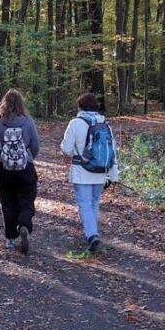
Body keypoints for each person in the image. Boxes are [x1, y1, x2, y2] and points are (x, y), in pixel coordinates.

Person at [60, 92, 118, 254]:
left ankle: (92, 235)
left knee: (84, 204)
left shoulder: (75, 123)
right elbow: (112, 151)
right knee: (93, 203)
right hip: (100, 170)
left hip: (81, 170)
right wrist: (114, 174)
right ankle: (92, 232)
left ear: (80, 106)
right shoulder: (105, 123)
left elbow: (66, 149)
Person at [0, 88, 40, 255]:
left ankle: (10, 239)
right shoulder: (28, 122)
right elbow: (35, 145)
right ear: (20, 103)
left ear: (4, 103)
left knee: (8, 203)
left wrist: (3, 159)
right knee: (27, 199)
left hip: (6, 170)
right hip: (26, 167)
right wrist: (29, 157)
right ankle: (24, 224)